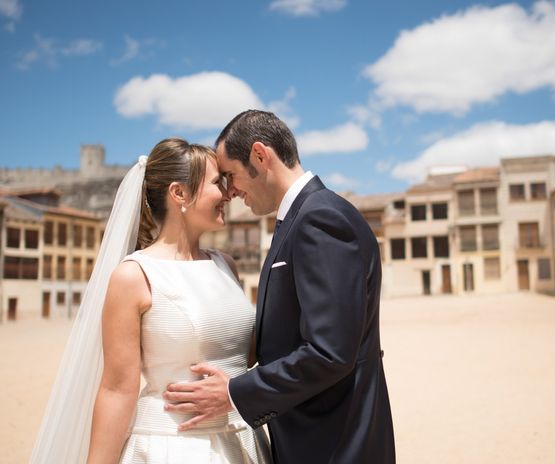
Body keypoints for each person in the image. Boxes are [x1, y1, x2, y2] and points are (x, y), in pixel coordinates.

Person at [163, 111, 396, 463]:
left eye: (230, 175)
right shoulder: (300, 218)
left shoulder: (320, 218)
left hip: (335, 444)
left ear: (260, 156)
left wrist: (233, 393)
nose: (231, 191)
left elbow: (329, 352)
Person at [30, 138, 271, 464]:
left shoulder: (225, 265)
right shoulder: (133, 276)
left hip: (244, 442)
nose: (228, 194)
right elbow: (117, 389)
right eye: (217, 183)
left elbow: (244, 353)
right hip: (174, 447)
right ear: (179, 194)